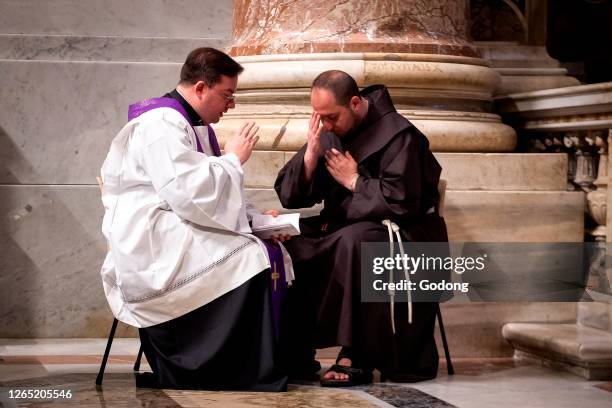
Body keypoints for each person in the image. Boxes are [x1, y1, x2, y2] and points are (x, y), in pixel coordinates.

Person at [100, 47, 290, 391]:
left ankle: (242, 364)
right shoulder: (160, 124)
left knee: (258, 247)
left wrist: (259, 222)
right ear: (201, 88)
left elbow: (207, 196)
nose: (230, 105)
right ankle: (215, 368)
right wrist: (233, 158)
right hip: (151, 237)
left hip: (173, 223)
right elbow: (189, 194)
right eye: (227, 95)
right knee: (249, 256)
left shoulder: (189, 124)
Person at [275, 70, 448, 386]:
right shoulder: (330, 130)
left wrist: (355, 181)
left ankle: (357, 353)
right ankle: (294, 351)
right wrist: (312, 152)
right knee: (286, 243)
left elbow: (404, 203)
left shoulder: (401, 136)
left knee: (356, 242)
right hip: (346, 225)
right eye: (319, 118)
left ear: (355, 103)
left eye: (331, 117)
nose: (326, 126)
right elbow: (290, 195)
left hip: (403, 232)